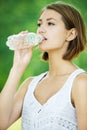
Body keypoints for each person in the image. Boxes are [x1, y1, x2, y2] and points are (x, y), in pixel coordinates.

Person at [0, 1, 87, 130]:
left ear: (71, 34)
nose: (40, 30)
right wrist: (18, 66)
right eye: (39, 24)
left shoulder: (81, 83)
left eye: (50, 23)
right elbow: (2, 123)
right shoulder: (29, 85)